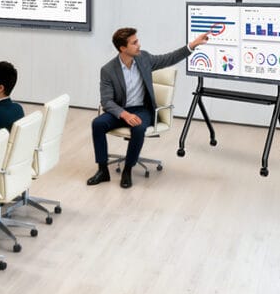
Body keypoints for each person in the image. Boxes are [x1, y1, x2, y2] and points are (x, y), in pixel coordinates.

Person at [87, 28, 209, 189]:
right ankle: (103, 170)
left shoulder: (143, 58)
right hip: (120, 110)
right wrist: (124, 114)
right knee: (98, 124)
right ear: (122, 48)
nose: (139, 45)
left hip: (142, 109)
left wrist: (192, 45)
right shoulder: (108, 70)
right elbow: (107, 101)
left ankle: (128, 170)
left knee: (137, 128)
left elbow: (169, 58)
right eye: (134, 42)